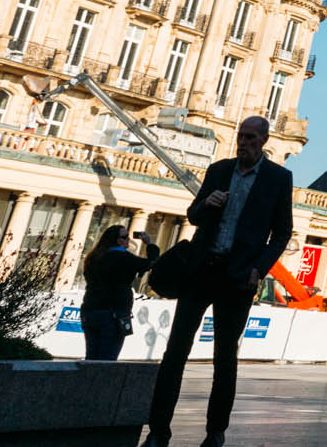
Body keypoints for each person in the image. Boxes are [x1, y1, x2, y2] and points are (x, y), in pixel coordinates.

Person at [144, 114, 294, 447]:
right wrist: (206, 204)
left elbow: (282, 232)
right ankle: (158, 429)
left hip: (238, 277)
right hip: (201, 270)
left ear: (264, 141)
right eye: (241, 136)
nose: (244, 142)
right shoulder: (219, 170)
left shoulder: (278, 178)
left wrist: (260, 268)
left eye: (251, 137)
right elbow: (193, 215)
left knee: (224, 358)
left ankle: (216, 432)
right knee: (175, 352)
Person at [80, 225, 158, 361]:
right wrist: (149, 243)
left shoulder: (93, 257)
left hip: (90, 310)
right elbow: (151, 262)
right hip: (114, 313)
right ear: (117, 240)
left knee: (91, 357)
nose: (128, 239)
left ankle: (86, 382)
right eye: (124, 237)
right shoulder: (124, 257)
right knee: (107, 360)